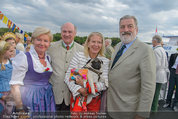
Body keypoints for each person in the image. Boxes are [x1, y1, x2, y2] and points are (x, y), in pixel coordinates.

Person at [107, 15, 156, 119]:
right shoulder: (118, 46)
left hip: (129, 111)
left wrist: (142, 114)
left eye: (130, 26)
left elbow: (149, 86)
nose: (126, 30)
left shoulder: (145, 50)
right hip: (112, 106)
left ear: (136, 30)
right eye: (122, 27)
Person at [10, 27, 55, 114]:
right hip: (29, 99)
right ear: (33, 40)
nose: (42, 43)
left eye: (46, 41)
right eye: (39, 40)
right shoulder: (24, 57)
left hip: (47, 98)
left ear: (49, 43)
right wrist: (20, 108)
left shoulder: (48, 58)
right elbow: (14, 85)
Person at [64, 32, 109, 118]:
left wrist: (85, 86)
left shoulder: (105, 61)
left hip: (94, 102)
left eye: (99, 42)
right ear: (88, 43)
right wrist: (80, 89)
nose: (96, 45)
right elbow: (68, 77)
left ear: (102, 45)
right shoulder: (78, 56)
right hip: (78, 99)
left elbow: (104, 84)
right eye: (93, 41)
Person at [48, 22, 83, 111]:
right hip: (54, 95)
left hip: (72, 96)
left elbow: (83, 73)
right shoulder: (50, 47)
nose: (67, 34)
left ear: (75, 33)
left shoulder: (82, 50)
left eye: (70, 32)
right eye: (64, 31)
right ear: (61, 32)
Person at [151, 35, 169, 112]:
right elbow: (165, 64)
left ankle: (153, 109)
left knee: (154, 94)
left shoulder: (156, 50)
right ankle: (154, 108)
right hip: (161, 74)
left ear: (155, 41)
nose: (152, 42)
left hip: (157, 75)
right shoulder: (162, 49)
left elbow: (156, 65)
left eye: (152, 40)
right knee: (156, 93)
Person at [0, 41, 14, 113]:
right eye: (10, 51)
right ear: (3, 51)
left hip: (11, 94)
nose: (12, 53)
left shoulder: (11, 62)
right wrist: (1, 96)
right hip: (2, 95)